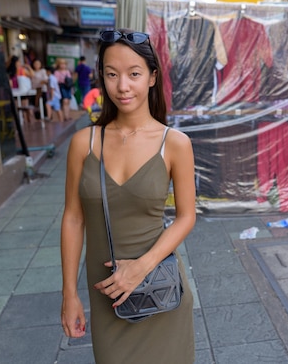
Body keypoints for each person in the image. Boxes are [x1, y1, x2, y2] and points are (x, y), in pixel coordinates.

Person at [60, 29, 196, 363]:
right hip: (107, 296)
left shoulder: (175, 143)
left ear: (152, 77)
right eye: (111, 74)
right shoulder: (84, 143)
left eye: (134, 74)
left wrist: (141, 268)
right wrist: (68, 294)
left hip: (161, 291)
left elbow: (186, 216)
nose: (122, 86)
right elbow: (73, 218)